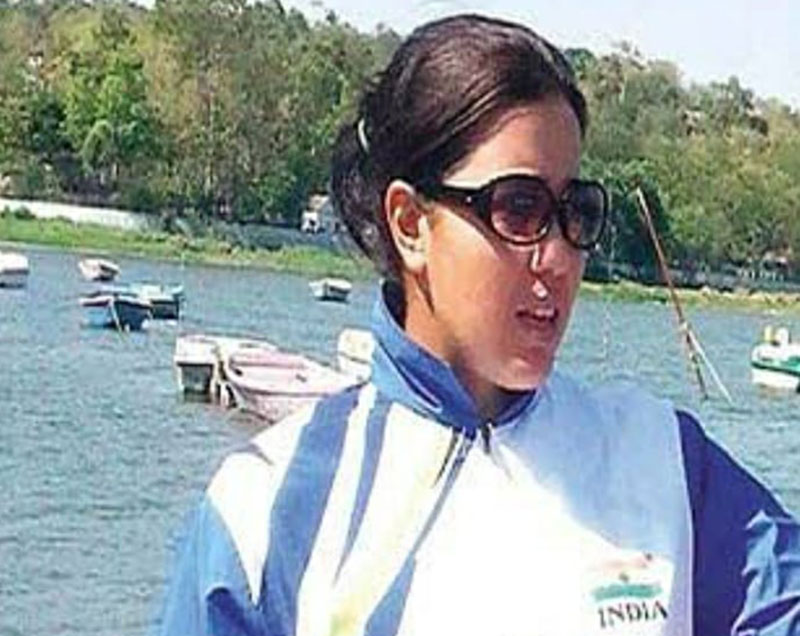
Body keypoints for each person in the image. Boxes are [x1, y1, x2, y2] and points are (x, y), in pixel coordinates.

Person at [156, 14, 800, 636]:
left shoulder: (668, 468)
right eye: (518, 208)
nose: (558, 256)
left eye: (574, 211)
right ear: (410, 223)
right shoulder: (268, 512)